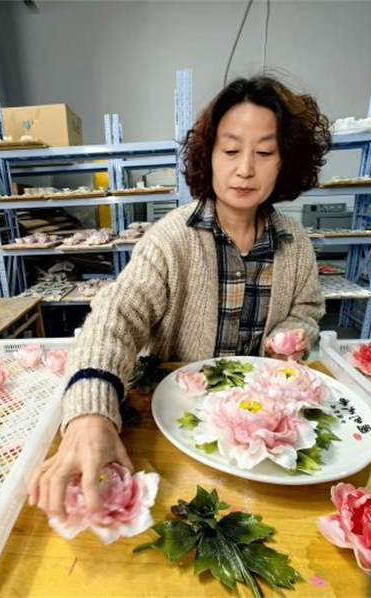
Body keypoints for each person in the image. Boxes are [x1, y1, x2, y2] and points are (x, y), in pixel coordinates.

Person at [28, 75, 331, 522]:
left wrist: (292, 333)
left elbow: (306, 310)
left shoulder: (295, 243)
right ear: (208, 156)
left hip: (264, 433)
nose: (245, 169)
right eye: (231, 150)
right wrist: (90, 412)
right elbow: (119, 314)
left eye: (265, 152)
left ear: (285, 161)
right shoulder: (172, 238)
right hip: (178, 424)